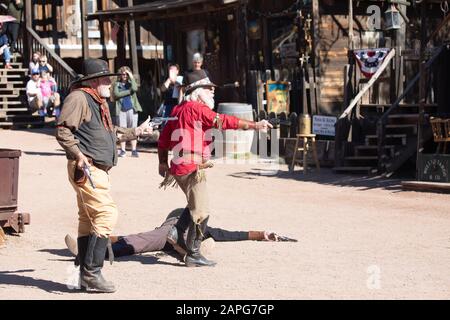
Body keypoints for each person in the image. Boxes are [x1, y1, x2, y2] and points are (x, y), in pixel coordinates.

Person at [55, 58, 152, 293]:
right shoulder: (79, 98)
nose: (111, 82)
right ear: (95, 80)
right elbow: (62, 130)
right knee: (107, 213)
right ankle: (92, 273)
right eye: (107, 79)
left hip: (96, 169)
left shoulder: (97, 101)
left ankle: (83, 273)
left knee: (88, 220)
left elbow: (109, 133)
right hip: (87, 167)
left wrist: (136, 132)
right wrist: (78, 154)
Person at [158, 69, 272, 267]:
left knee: (194, 203)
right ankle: (193, 253)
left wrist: (161, 162)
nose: (212, 91)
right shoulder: (197, 108)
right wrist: (256, 125)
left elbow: (163, 140)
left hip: (179, 166)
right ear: (196, 90)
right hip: (191, 167)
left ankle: (176, 231)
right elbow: (226, 121)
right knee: (202, 210)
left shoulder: (177, 110)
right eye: (208, 88)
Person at [64, 208, 297, 260]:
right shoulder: (174, 223)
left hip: (174, 244)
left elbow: (231, 234)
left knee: (136, 242)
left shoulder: (203, 229)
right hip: (168, 237)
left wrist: (260, 234)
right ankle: (87, 250)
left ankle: (88, 249)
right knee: (139, 242)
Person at [112, 66, 142, 157]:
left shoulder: (131, 83)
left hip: (132, 109)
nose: (124, 76)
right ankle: (123, 150)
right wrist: (129, 92)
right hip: (121, 109)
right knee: (122, 130)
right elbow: (117, 94)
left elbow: (135, 88)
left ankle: (134, 150)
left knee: (133, 129)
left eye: (126, 74)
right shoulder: (116, 84)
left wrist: (131, 77)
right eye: (123, 74)